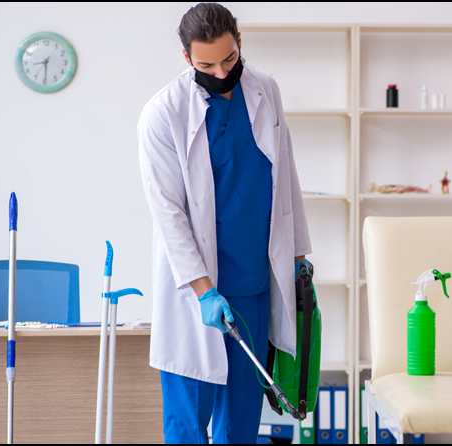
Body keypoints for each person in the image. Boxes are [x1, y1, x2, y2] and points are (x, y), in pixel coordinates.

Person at [137, 3, 312, 443]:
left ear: (239, 42)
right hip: (199, 295)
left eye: (229, 59)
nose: (220, 72)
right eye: (206, 64)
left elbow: (285, 178)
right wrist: (203, 291)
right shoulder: (162, 114)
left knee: (241, 422)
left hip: (254, 282)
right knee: (187, 425)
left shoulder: (265, 91)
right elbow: (168, 213)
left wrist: (298, 260)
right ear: (186, 58)